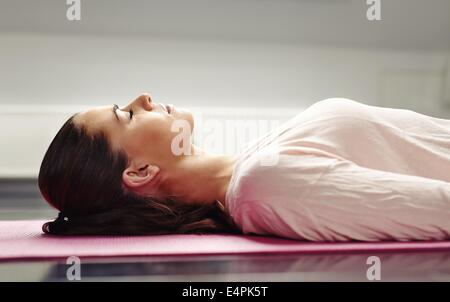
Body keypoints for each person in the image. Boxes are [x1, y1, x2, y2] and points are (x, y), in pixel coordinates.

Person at [39, 94, 450, 241]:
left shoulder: (255, 158)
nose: (142, 97)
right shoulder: (267, 186)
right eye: (125, 115)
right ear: (141, 171)